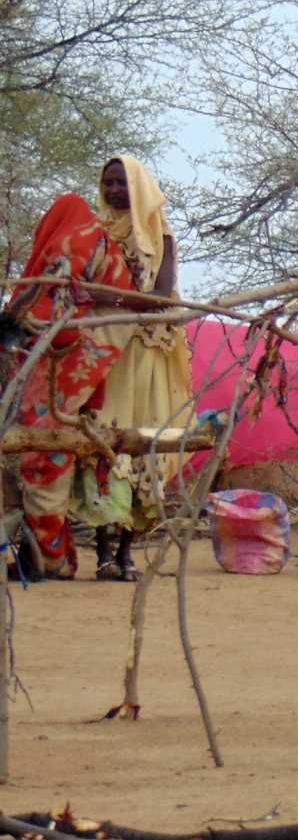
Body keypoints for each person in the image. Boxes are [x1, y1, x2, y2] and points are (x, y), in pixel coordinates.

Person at [5, 193, 135, 578]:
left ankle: (52, 559)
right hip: (88, 350)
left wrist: (21, 322)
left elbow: (57, 302)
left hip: (68, 355)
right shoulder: (102, 242)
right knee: (47, 452)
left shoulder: (74, 238)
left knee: (43, 452)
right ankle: (49, 556)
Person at [87, 156, 195, 581]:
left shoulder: (159, 234)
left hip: (147, 352)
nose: (114, 191)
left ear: (140, 189)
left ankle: (128, 551)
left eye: (122, 184)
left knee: (142, 439)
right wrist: (121, 300)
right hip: (105, 351)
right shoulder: (95, 235)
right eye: (108, 183)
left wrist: (112, 299)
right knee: (103, 440)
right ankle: (102, 553)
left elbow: (163, 294)